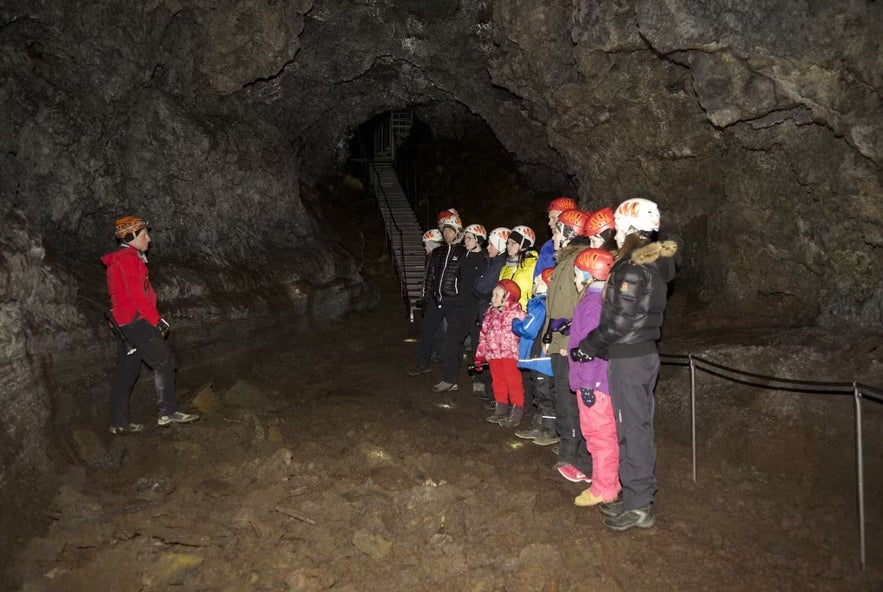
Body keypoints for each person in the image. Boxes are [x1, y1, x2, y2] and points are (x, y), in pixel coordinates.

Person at [571, 198, 678, 531]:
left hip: (629, 359)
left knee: (632, 432)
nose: (615, 234)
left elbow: (618, 322)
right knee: (635, 429)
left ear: (631, 228)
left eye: (618, 227)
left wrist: (587, 346)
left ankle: (639, 506)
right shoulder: (652, 263)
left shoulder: (632, 266)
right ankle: (635, 498)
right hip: (640, 354)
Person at [101, 216, 198, 434]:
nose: (149, 239)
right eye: (144, 235)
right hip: (136, 322)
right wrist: (156, 320)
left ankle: (119, 423)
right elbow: (137, 295)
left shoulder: (120, 260)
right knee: (164, 361)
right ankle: (167, 412)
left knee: (127, 371)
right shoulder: (128, 259)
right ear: (132, 236)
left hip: (124, 324)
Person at [542, 209, 593, 482]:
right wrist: (547, 337)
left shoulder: (577, 261)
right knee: (561, 394)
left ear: (570, 232)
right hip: (558, 338)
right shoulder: (564, 260)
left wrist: (569, 338)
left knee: (567, 396)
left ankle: (570, 452)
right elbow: (554, 305)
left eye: (557, 230)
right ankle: (568, 446)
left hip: (568, 341)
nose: (553, 235)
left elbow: (579, 303)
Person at [568, 248, 619, 508]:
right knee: (602, 434)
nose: (575, 278)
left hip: (594, 382)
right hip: (599, 380)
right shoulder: (599, 301)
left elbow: (590, 349)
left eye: (577, 273)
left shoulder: (592, 305)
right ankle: (609, 481)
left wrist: (587, 384)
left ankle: (604, 488)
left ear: (588, 275)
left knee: (599, 435)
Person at [408, 213, 467, 378]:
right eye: (445, 230)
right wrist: (425, 298)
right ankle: (423, 363)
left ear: (457, 232)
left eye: (450, 230)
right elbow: (429, 276)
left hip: (453, 301)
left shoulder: (464, 253)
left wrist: (463, 300)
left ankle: (454, 365)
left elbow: (466, 279)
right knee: (427, 331)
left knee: (455, 335)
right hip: (436, 299)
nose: (446, 233)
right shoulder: (437, 252)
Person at [432, 223, 489, 392]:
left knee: (478, 347)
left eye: (470, 238)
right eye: (466, 238)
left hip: (477, 310)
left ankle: (479, 380)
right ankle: (449, 379)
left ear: (479, 240)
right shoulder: (464, 256)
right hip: (461, 307)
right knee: (450, 342)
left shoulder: (485, 260)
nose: (466, 241)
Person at [474, 280, 526, 426]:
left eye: (497, 295)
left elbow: (525, 334)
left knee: (513, 383)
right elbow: (483, 336)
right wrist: (480, 356)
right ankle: (501, 408)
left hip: (510, 355)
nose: (493, 298)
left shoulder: (518, 315)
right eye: (493, 295)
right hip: (493, 355)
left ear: (508, 297)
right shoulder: (490, 315)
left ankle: (516, 411)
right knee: (498, 382)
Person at [512, 267, 556, 440]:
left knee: (544, 394)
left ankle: (549, 429)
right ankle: (540, 425)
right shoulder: (549, 305)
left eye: (537, 280)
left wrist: (516, 324)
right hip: (542, 359)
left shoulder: (539, 305)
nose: (534, 283)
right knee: (541, 393)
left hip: (540, 358)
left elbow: (529, 330)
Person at [471, 227, 510, 406]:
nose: (487, 247)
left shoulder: (498, 263)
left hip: (492, 314)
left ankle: (496, 396)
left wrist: (478, 284)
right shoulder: (494, 262)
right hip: (488, 312)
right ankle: (493, 393)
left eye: (492, 244)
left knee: (493, 355)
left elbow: (481, 286)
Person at [536, 197, 579, 276]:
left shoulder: (582, 246)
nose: (549, 223)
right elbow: (537, 275)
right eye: (549, 219)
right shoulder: (548, 247)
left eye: (553, 218)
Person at [499, 225, 537, 310]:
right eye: (508, 242)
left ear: (524, 244)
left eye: (513, 242)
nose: (508, 246)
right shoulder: (505, 266)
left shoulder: (534, 264)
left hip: (524, 313)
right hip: (506, 314)